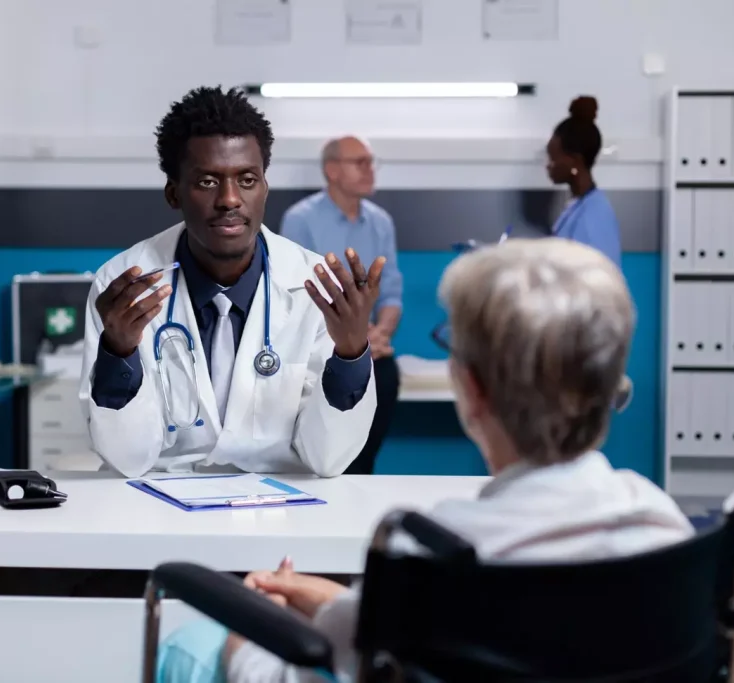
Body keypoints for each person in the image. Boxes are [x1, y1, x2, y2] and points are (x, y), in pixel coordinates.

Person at [155, 238, 695, 682]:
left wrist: (248, 631)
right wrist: (321, 599)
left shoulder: (436, 552)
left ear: (473, 392)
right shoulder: (661, 525)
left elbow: (303, 671)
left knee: (190, 647)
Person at [79, 87, 383, 479]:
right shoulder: (124, 287)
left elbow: (328, 459)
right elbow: (126, 459)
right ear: (174, 193)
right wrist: (118, 352)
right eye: (207, 182)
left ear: (264, 189)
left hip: (280, 506)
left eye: (247, 179)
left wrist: (351, 352)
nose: (230, 199)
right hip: (161, 503)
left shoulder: (316, 289)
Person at [280, 136, 404, 475]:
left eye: (370, 161)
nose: (369, 170)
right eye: (359, 162)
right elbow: (300, 290)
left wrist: (378, 334)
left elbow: (391, 290)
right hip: (319, 341)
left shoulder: (380, 221)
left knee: (386, 373)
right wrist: (352, 335)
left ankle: (362, 474)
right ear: (332, 170)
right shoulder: (301, 219)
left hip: (369, 344)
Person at [546, 96, 622, 269]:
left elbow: (597, 283)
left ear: (574, 161)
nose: (548, 166)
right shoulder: (578, 205)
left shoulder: (593, 216)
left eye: (553, 158)